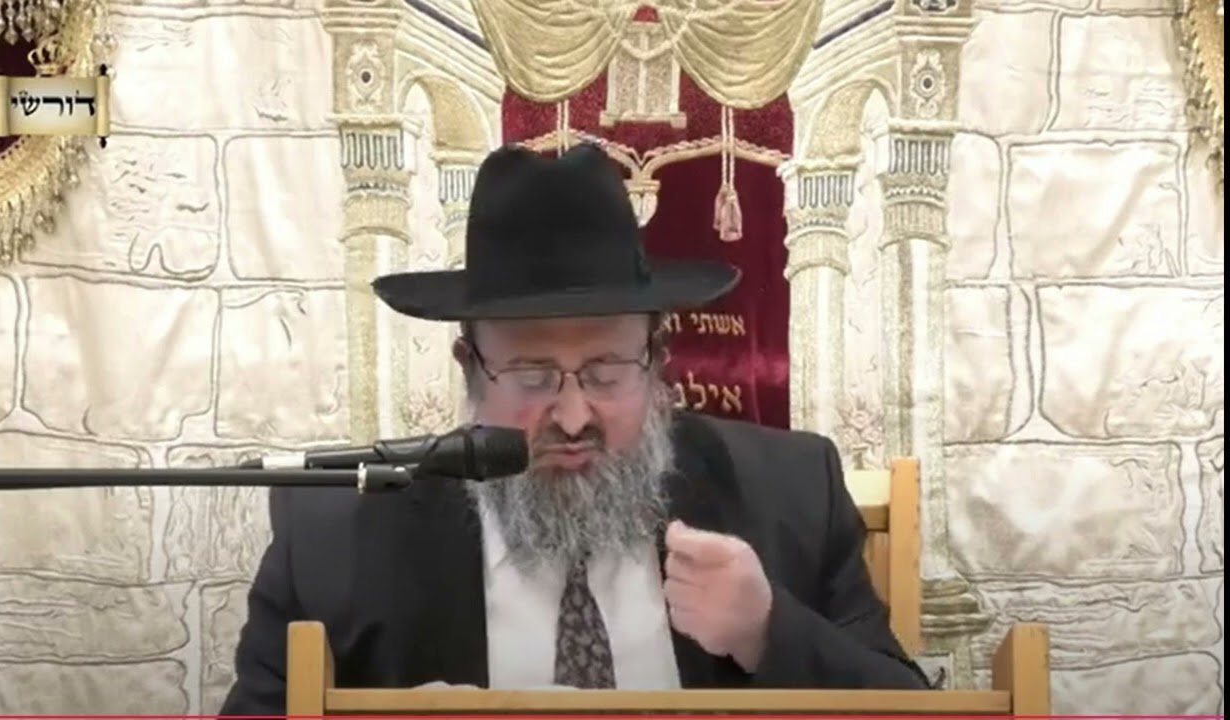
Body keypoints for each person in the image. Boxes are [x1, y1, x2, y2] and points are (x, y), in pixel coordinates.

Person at [219, 143, 929, 715]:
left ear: (657, 363)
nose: (572, 415)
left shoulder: (790, 495)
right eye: (532, 376)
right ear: (470, 369)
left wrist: (771, 632)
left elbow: (913, 710)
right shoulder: (335, 540)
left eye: (606, 371)